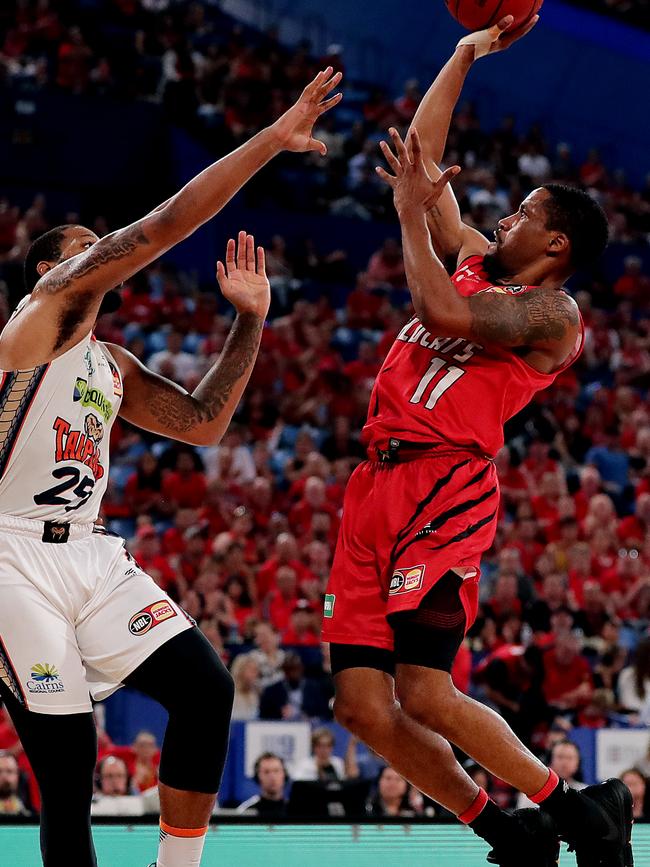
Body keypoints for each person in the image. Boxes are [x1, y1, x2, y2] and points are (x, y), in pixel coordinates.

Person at [0, 68, 342, 867]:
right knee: (66, 765)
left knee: (206, 689)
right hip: (11, 553)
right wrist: (272, 140)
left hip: (87, 549)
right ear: (51, 275)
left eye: (99, 248)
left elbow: (204, 423)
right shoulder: (33, 329)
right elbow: (156, 230)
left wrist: (249, 322)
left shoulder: (108, 363)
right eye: (86, 251)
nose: (103, 256)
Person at [321, 18, 631, 867]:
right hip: (373, 485)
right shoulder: (473, 256)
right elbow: (423, 158)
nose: (503, 216)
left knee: (422, 687)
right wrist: (462, 55)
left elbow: (441, 313)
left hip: (443, 485)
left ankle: (574, 805)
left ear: (555, 244)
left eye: (524, 212)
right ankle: (511, 831)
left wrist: (411, 221)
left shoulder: (552, 316)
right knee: (357, 704)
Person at [517, 740, 586, 809]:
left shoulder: (585, 793)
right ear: (550, 760)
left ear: (578, 763)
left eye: (569, 758)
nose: (564, 763)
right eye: (560, 757)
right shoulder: (532, 793)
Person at [293, 727, 359, 782]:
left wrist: (352, 745)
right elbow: (298, 785)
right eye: (320, 745)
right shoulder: (305, 765)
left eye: (328, 746)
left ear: (332, 747)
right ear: (314, 747)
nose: (324, 750)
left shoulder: (337, 763)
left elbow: (352, 777)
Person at [236, 753, 289, 818]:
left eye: (276, 771)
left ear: (284, 775)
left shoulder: (296, 810)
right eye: (266, 772)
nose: (272, 777)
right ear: (258, 777)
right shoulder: (247, 812)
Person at [0, 750, 30, 816]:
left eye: (9, 771)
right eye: (0, 771)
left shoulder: (29, 814)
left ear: (17, 776)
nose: (4, 776)